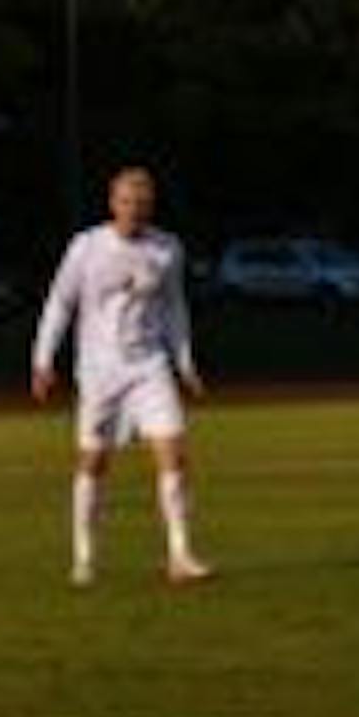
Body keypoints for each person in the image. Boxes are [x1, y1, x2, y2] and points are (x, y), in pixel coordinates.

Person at [32, 166, 211, 587]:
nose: (134, 211)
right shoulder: (87, 247)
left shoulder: (167, 249)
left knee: (174, 452)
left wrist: (184, 363)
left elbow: (173, 309)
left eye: (142, 204)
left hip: (149, 366)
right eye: (127, 202)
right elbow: (60, 303)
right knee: (93, 461)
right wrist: (42, 360)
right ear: (113, 203)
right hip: (98, 371)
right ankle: (84, 558)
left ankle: (180, 555)